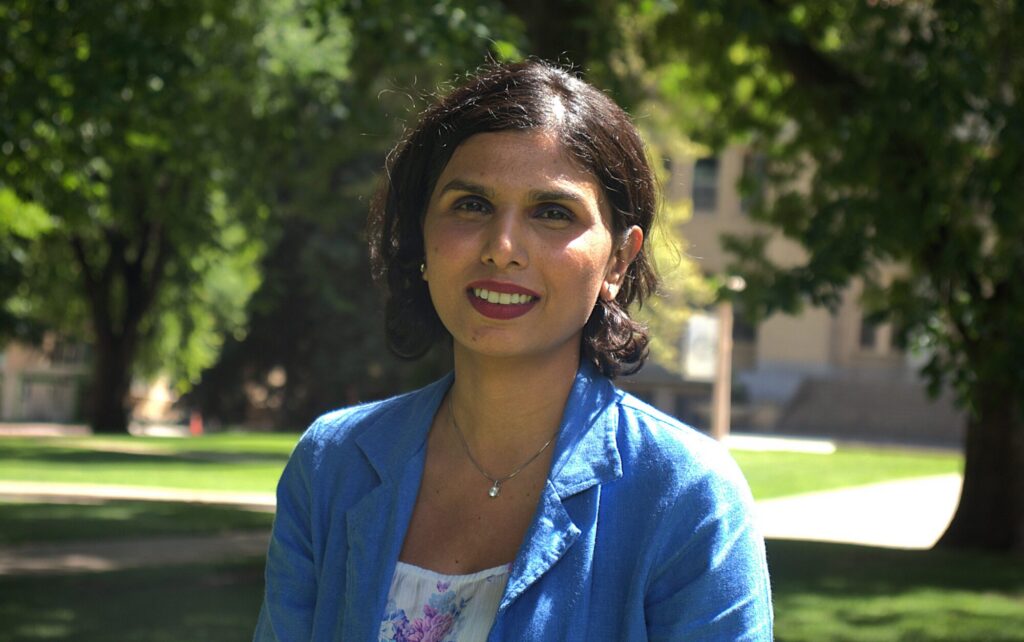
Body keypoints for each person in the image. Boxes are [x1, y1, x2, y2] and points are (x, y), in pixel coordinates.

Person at [254, 60, 772, 641]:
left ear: (618, 262)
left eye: (553, 213)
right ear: (421, 234)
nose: (502, 248)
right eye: (471, 205)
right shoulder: (332, 464)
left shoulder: (688, 497)